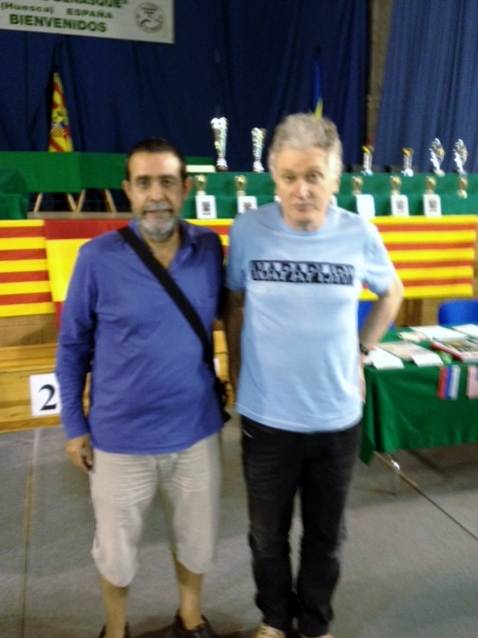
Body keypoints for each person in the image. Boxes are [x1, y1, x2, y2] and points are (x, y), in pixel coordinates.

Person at [224, 114, 403, 638]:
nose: (301, 190)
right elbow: (234, 303)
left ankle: (314, 624)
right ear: (274, 178)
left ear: (335, 179)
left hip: (336, 418)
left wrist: (361, 351)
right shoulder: (247, 230)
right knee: (266, 537)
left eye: (313, 176)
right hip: (266, 419)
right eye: (288, 177)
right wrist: (236, 371)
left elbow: (391, 293)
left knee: (326, 538)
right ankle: (275, 620)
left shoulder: (359, 233)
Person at [56, 138, 225, 638]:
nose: (156, 195)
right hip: (119, 439)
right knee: (115, 551)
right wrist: (73, 425)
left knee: (197, 541)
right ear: (127, 190)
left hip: (196, 432)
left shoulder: (209, 249)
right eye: (144, 183)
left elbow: (237, 314)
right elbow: (72, 346)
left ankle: (190, 618)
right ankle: (115, 629)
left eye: (167, 182)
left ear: (186, 189)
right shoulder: (96, 258)